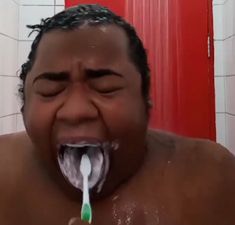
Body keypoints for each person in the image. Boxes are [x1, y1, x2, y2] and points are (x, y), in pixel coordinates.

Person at [0, 4, 235, 225]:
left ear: (145, 102)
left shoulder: (211, 179)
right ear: (24, 106)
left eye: (106, 87)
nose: (77, 110)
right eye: (50, 90)